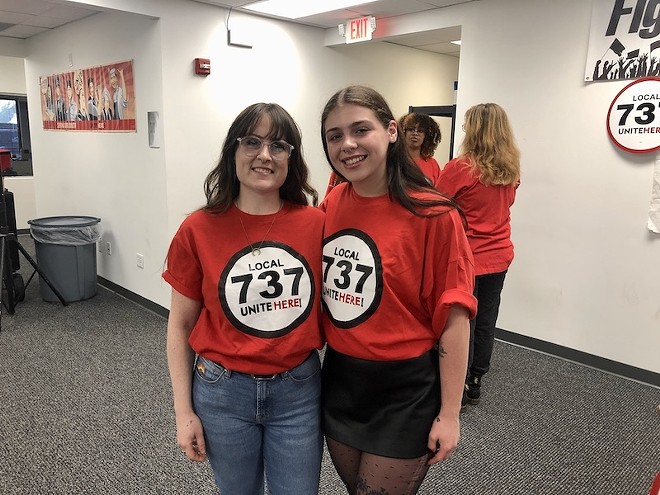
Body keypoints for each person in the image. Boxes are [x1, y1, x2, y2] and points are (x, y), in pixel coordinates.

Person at [319, 85, 477, 494]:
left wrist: (450, 412)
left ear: (391, 131)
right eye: (334, 136)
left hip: (404, 390)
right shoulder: (333, 203)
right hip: (340, 379)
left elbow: (455, 320)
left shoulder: (435, 214)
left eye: (360, 130)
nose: (347, 145)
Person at [163, 103, 325, 495]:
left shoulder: (317, 224)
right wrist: (184, 413)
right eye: (252, 142)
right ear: (232, 151)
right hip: (222, 391)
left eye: (279, 146)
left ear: (291, 158)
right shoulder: (197, 229)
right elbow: (180, 324)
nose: (265, 155)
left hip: (298, 390)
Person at [436, 102, 521, 408]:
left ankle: (454, 388)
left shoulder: (461, 168)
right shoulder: (511, 168)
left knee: (461, 324)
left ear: (475, 130)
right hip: (500, 256)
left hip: (468, 258)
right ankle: (475, 381)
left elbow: (432, 204)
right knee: (485, 320)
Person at [399, 112, 442, 185]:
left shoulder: (432, 165)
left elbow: (438, 191)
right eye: (411, 129)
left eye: (420, 131)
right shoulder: (393, 160)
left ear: (426, 136)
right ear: (403, 132)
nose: (415, 134)